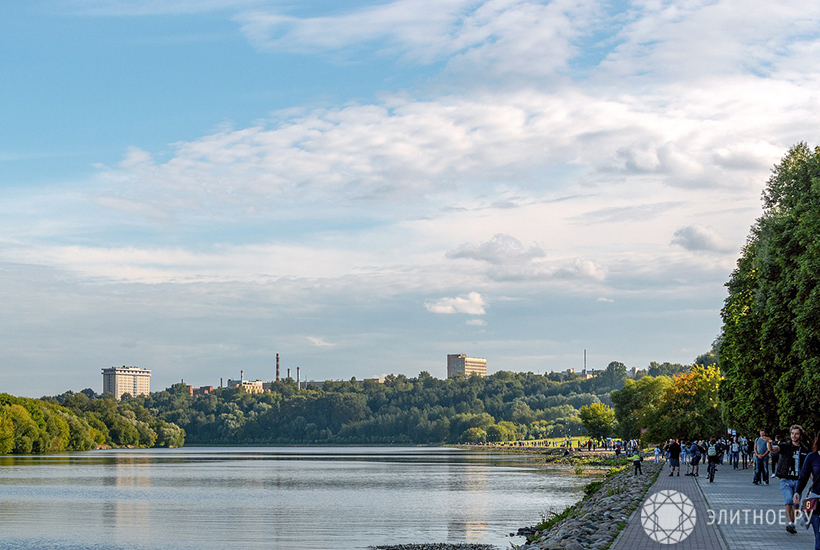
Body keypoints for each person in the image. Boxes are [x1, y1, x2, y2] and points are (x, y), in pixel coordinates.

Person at [766, 425, 811, 534]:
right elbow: (773, 449)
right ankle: (791, 523)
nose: (794, 436)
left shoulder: (805, 449)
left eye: (796, 433)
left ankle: (792, 523)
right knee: (789, 501)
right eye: (792, 433)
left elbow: (808, 467)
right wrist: (769, 443)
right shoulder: (785, 446)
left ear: (800, 435)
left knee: (796, 504)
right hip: (785, 479)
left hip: (799, 481)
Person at [794, 431, 820, 549]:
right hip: (817, 501)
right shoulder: (813, 457)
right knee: (819, 538)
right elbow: (803, 476)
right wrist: (797, 492)